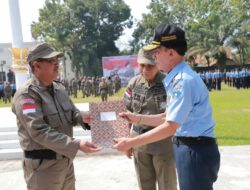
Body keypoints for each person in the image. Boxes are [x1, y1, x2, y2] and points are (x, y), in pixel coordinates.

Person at [113, 24, 220, 190]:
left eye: (158, 51)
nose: (154, 56)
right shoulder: (178, 77)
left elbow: (170, 127)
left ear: (171, 52)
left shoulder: (182, 81)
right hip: (190, 147)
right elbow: (167, 117)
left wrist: (131, 142)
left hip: (194, 149)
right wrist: (137, 118)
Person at [12, 42, 102, 190]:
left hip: (65, 162)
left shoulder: (59, 88)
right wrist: (76, 144)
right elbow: (38, 131)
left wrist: (82, 117)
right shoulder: (27, 94)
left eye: (57, 60)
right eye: (51, 61)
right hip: (43, 167)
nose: (57, 64)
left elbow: (72, 112)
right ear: (37, 65)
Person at [124, 48, 177, 190]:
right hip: (139, 142)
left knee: (167, 184)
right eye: (142, 65)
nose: (145, 69)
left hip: (162, 142)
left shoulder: (169, 83)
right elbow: (126, 113)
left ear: (158, 64)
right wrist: (127, 141)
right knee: (144, 184)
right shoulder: (133, 84)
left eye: (150, 65)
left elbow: (172, 117)